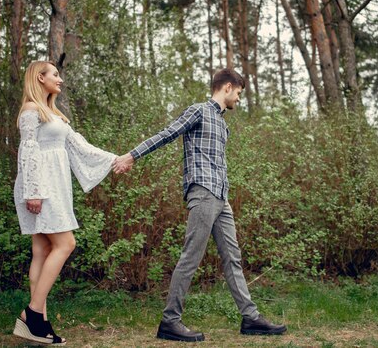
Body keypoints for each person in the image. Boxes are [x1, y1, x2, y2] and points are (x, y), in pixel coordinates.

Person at [113, 68, 287, 342]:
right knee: (191, 257)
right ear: (227, 87)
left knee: (233, 258)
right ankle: (170, 321)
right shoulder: (199, 111)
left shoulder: (223, 123)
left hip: (221, 197)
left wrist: (225, 194)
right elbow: (168, 134)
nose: (239, 100)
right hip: (203, 193)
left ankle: (250, 318)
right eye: (239, 93)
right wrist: (132, 155)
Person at [12, 61, 116, 345]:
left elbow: (79, 146)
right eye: (55, 75)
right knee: (65, 244)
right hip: (40, 189)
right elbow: (28, 150)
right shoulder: (31, 111)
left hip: (55, 187)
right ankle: (32, 314)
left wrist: (113, 160)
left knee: (43, 249)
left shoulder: (54, 115)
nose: (60, 80)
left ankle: (39, 324)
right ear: (39, 78)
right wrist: (32, 191)